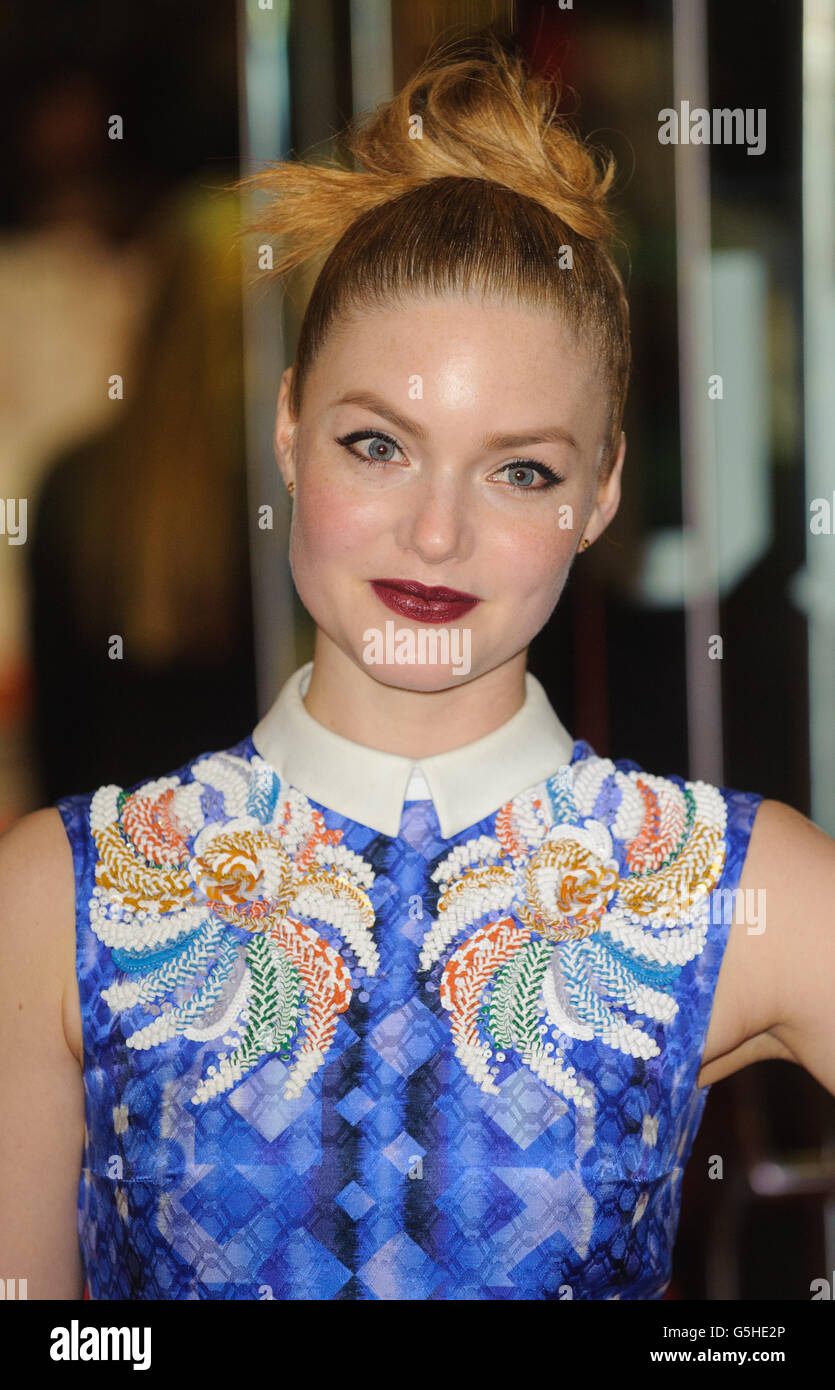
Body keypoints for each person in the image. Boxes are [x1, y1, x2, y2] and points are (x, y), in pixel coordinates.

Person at [1, 36, 833, 1302]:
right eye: (379, 444)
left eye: (521, 470)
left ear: (601, 492)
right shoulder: (55, 900)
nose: (436, 534)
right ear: (289, 430)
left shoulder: (735, 883)